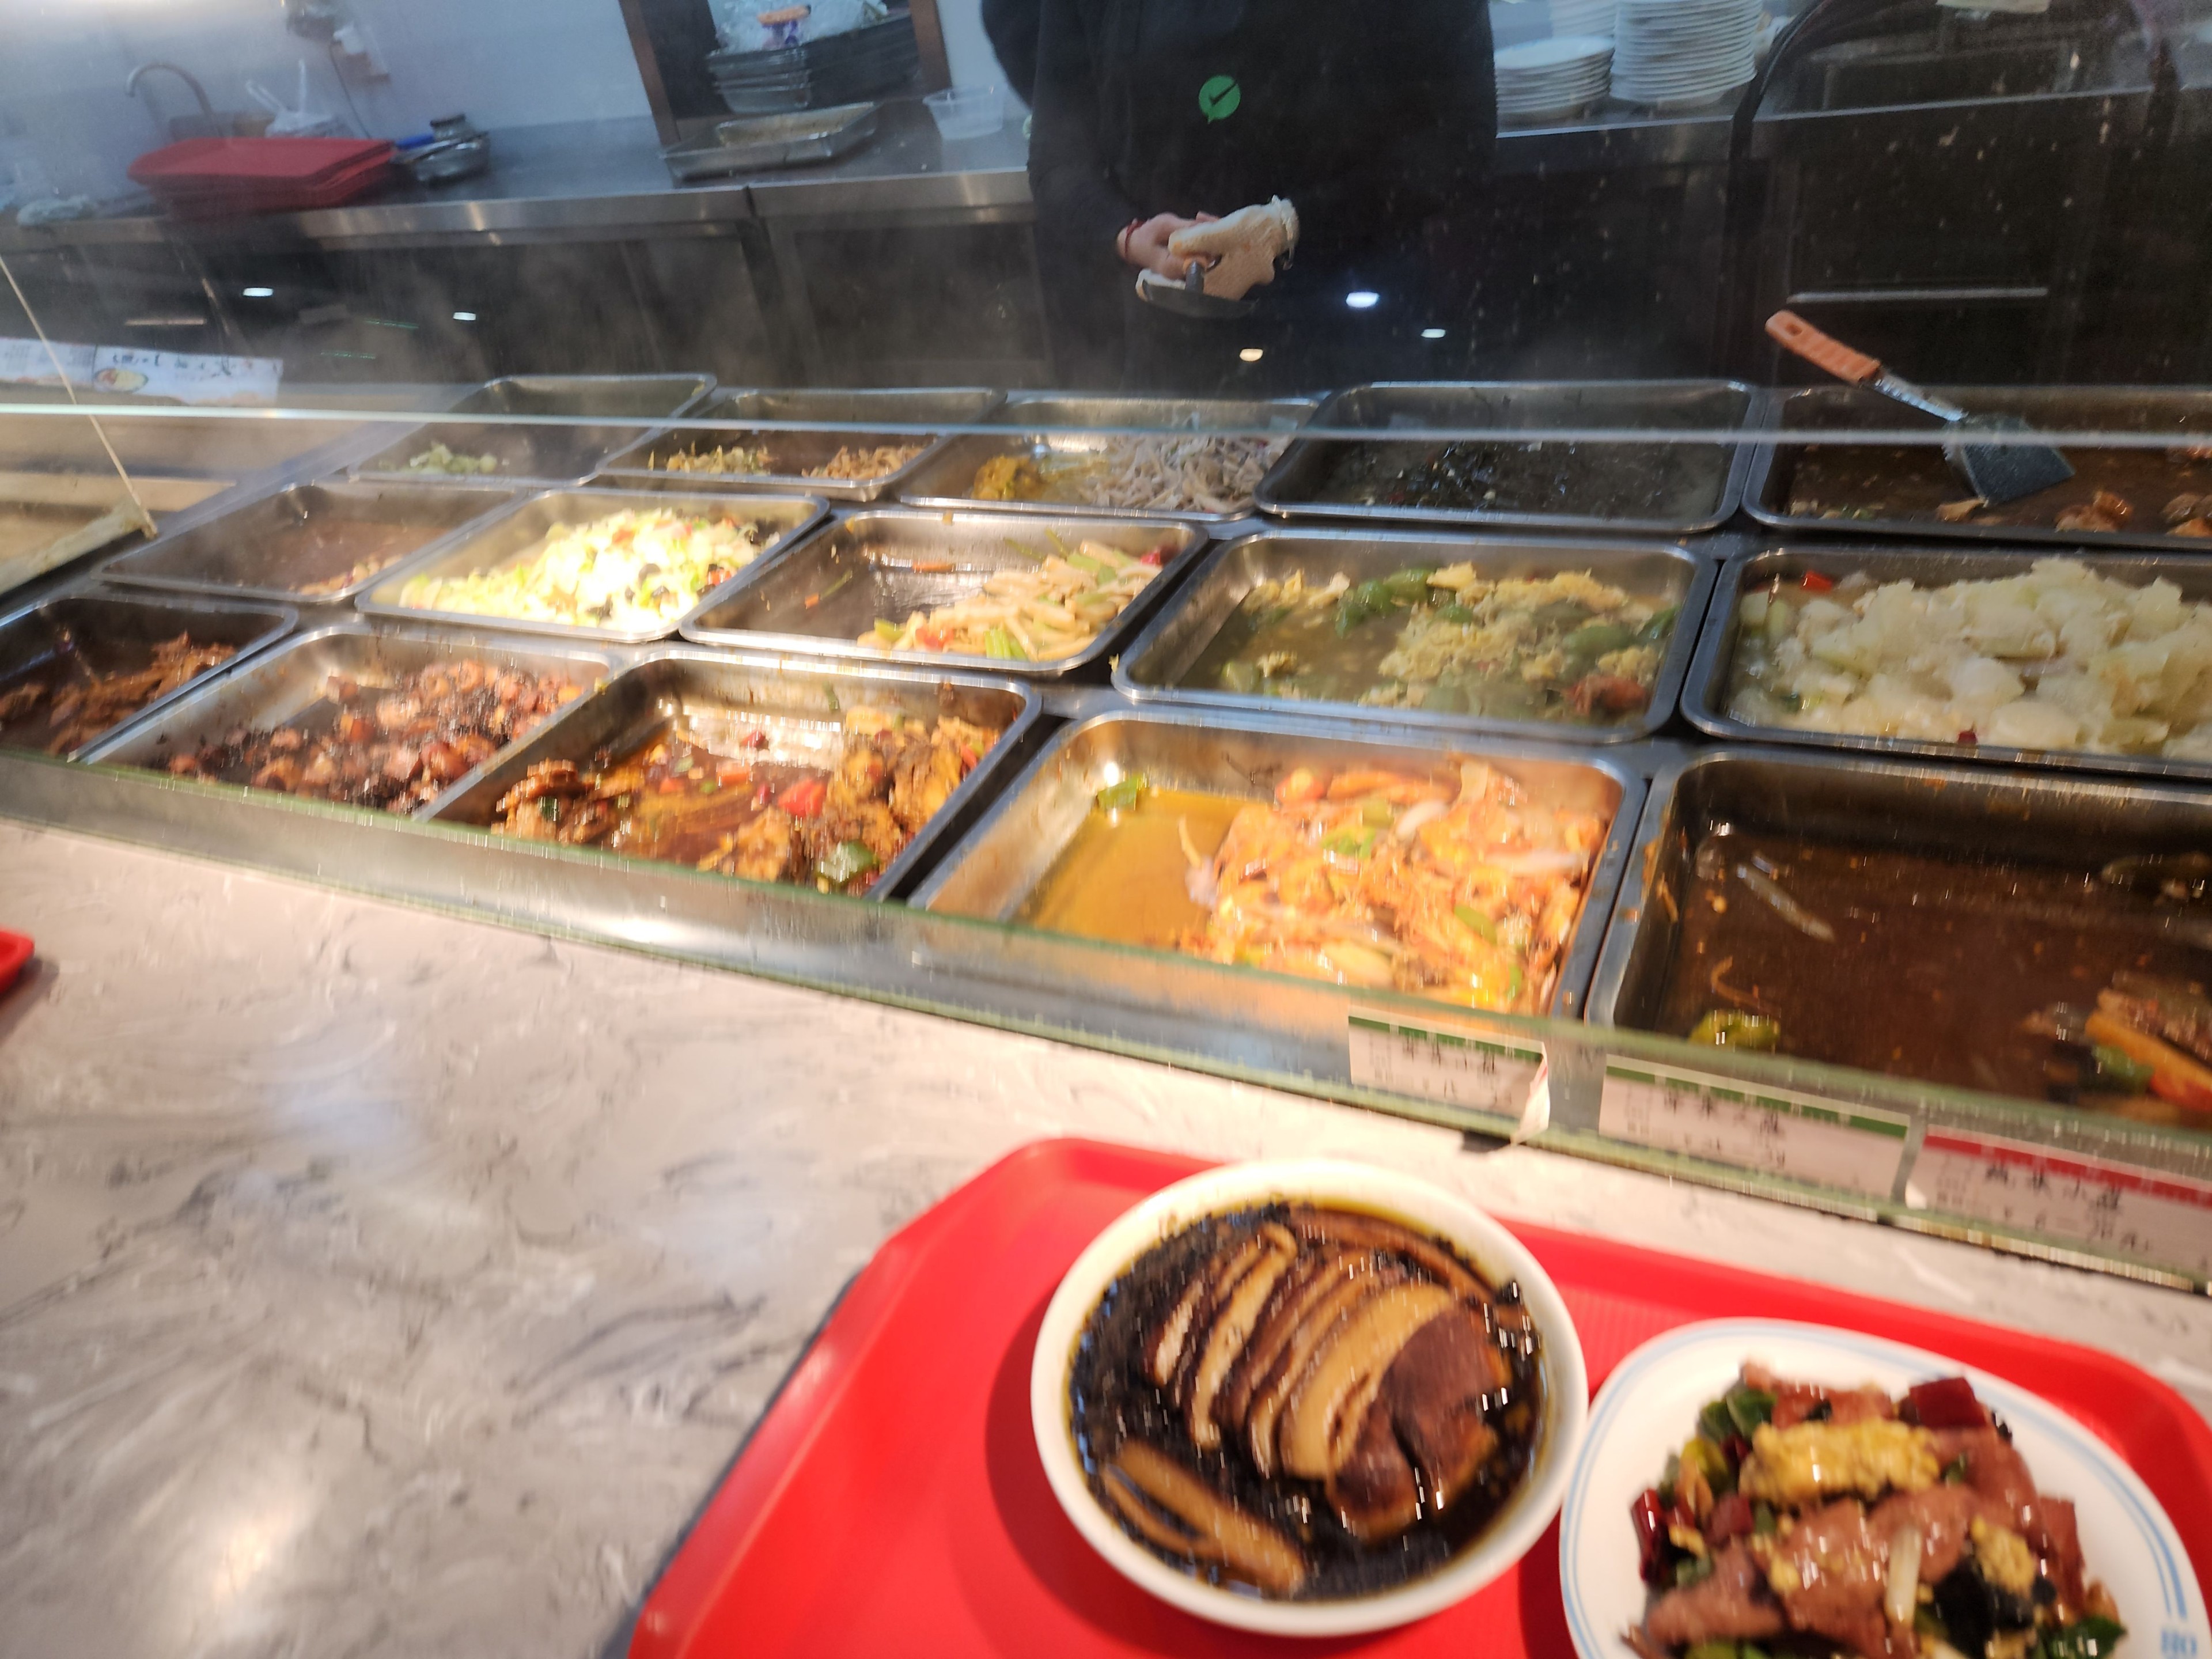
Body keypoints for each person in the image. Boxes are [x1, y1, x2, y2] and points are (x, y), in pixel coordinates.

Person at [1025, 0, 1496, 393]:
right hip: (1174, 348)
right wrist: (1129, 236)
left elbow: (1460, 138)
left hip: (1360, 336)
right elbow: (1057, 162)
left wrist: (1287, 224)